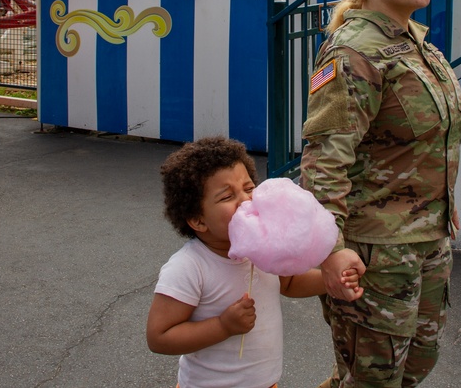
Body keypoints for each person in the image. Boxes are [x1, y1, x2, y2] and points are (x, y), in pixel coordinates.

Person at [300, 0, 461, 387]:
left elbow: (431, 138)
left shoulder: (414, 42)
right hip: (376, 251)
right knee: (371, 379)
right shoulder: (354, 52)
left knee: (416, 366)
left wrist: (441, 200)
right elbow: (324, 161)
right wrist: (330, 250)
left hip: (426, 237)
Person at [147, 136, 361, 388]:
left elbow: (289, 283)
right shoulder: (189, 267)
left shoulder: (262, 250)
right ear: (198, 220)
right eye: (227, 196)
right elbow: (159, 337)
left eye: (249, 188)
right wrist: (222, 326)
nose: (246, 200)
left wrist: (331, 280)